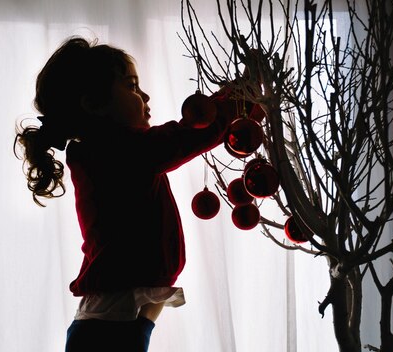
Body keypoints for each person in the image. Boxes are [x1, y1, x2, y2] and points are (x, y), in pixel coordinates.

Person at [15, 36, 235, 351]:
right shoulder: (112, 150)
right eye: (132, 86)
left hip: (112, 329)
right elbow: (186, 136)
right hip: (107, 334)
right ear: (92, 103)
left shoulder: (105, 152)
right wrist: (238, 98)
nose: (145, 95)